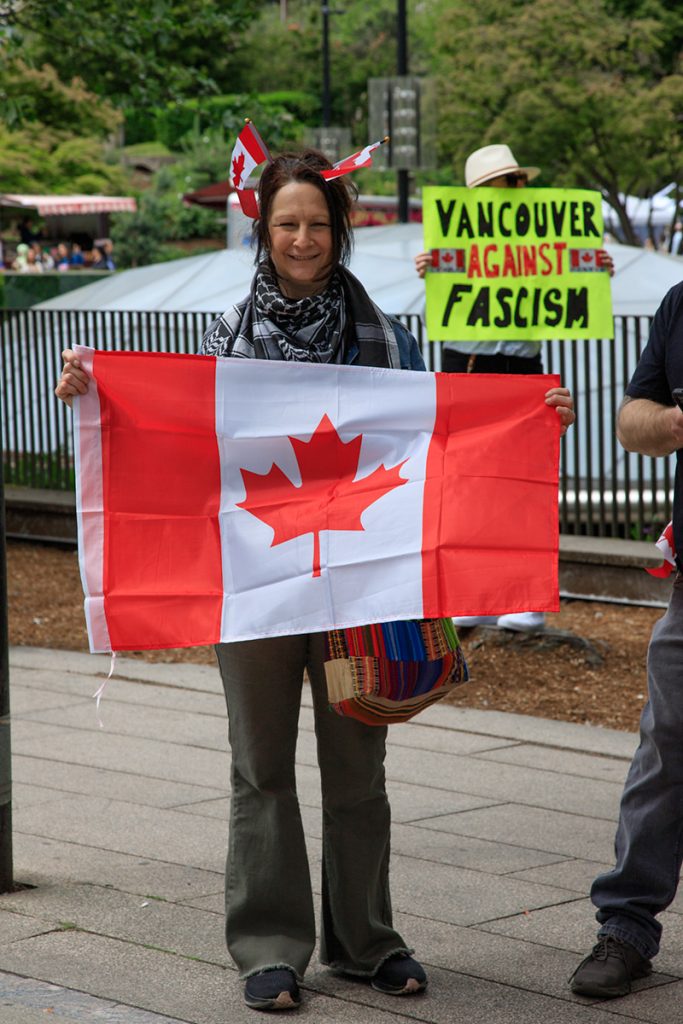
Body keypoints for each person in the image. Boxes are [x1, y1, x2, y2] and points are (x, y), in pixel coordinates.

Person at [55, 148, 574, 1015]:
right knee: (260, 768)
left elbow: (446, 435)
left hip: (357, 585)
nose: (303, 238)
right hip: (255, 587)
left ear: (341, 235)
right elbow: (170, 445)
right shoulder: (222, 341)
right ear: (264, 230)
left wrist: (529, 410)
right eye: (287, 223)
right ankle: (268, 947)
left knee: (357, 765)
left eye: (318, 225)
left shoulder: (388, 337)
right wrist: (94, 394)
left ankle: (367, 940)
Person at [415, 142, 610, 633]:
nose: (515, 188)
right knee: (469, 481)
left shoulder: (541, 233)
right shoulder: (453, 243)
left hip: (523, 366)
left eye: (517, 179)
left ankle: (526, 598)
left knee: (526, 478)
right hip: (471, 364)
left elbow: (568, 278)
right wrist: (430, 267)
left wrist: (594, 267)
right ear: (478, 192)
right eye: (505, 181)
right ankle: (478, 593)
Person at [569, 279, 683, 999]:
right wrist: (671, 422)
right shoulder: (677, 304)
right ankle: (627, 926)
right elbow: (629, 419)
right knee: (664, 747)